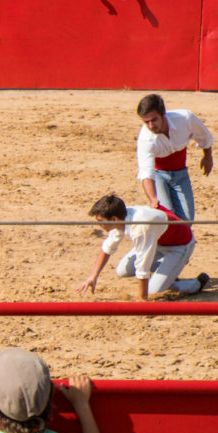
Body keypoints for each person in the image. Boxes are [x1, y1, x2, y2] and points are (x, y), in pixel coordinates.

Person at [77, 193, 208, 300]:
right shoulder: (121, 216)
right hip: (156, 241)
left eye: (101, 222)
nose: (99, 225)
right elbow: (107, 248)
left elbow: (143, 264)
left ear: (114, 219)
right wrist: (93, 277)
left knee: (153, 291)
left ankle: (195, 284)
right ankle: (166, 274)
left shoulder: (140, 228)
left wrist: (142, 299)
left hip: (179, 245)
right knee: (122, 270)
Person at [135, 93, 212, 221]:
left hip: (181, 172)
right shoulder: (145, 139)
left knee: (187, 218)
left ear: (163, 114)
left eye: (154, 120)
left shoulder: (185, 119)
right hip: (158, 174)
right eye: (146, 122)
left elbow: (204, 136)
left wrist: (207, 157)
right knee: (166, 216)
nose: (150, 126)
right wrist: (153, 199)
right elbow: (146, 173)